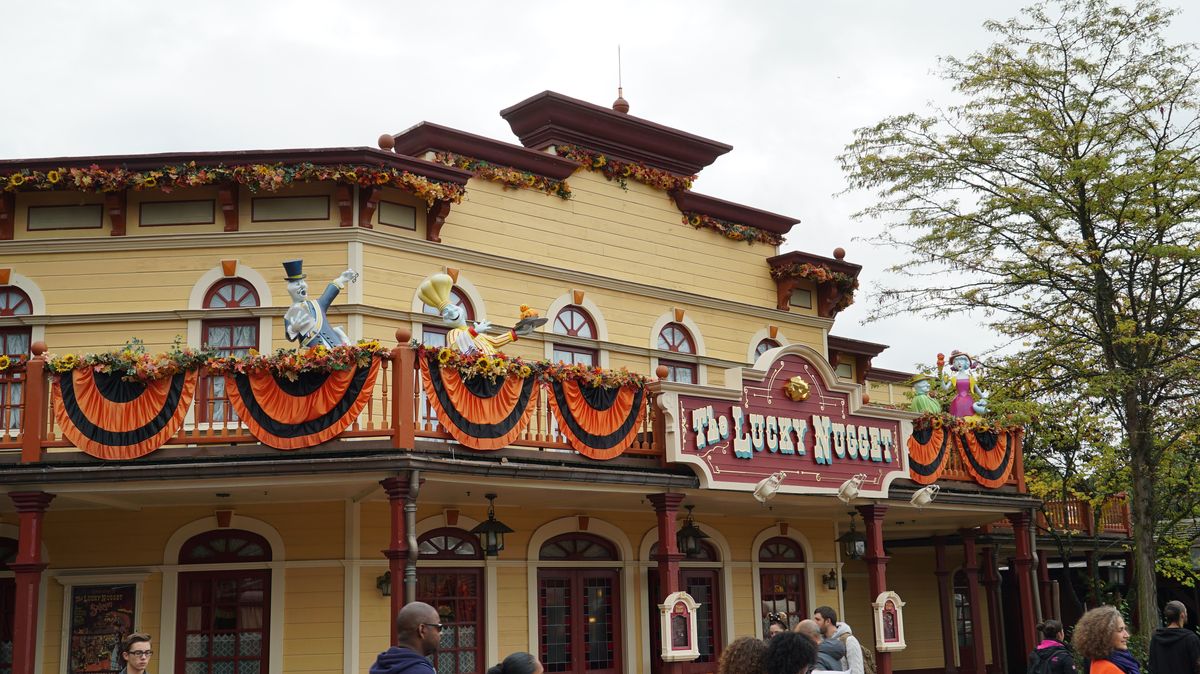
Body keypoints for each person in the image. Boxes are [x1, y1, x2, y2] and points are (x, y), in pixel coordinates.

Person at [282, 259, 359, 348]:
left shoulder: (316, 305)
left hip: (335, 349)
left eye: (302, 282)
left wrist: (341, 279)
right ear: (290, 289)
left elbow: (328, 295)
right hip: (313, 354)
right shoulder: (291, 314)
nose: (302, 285)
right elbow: (290, 337)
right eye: (297, 284)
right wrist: (293, 329)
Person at [369, 601, 442, 674]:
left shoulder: (380, 666)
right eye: (439, 627)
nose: (441, 633)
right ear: (422, 630)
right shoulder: (422, 671)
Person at [1072, 605, 1139, 674]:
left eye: (1125, 629)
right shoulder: (1109, 668)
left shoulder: (1102, 661)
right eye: (1120, 630)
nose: (1127, 635)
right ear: (1106, 634)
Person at [1149, 600, 1200, 674]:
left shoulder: (1156, 638)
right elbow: (1197, 667)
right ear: (1182, 615)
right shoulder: (1191, 638)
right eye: (1186, 612)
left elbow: (1152, 668)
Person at [812, 606, 848, 672]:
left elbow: (857, 670)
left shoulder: (848, 640)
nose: (814, 622)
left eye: (818, 620)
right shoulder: (821, 642)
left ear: (828, 621)